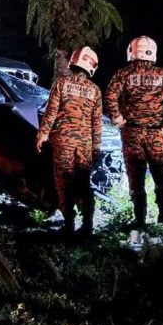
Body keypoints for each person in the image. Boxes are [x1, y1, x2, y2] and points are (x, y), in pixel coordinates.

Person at [104, 36, 163, 235]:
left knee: (136, 177)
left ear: (132, 51)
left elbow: (110, 95)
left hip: (131, 133)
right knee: (162, 176)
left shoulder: (124, 74)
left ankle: (139, 221)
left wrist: (117, 117)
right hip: (157, 133)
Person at [35, 46, 103, 237]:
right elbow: (97, 122)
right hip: (85, 144)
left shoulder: (61, 84)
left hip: (63, 141)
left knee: (64, 182)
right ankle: (87, 225)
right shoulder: (95, 91)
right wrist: (96, 147)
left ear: (73, 62)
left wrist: (42, 134)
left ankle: (69, 224)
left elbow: (51, 111)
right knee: (83, 183)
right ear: (91, 67)